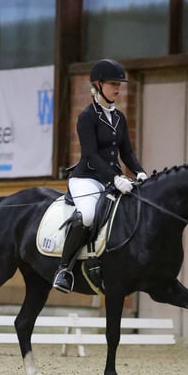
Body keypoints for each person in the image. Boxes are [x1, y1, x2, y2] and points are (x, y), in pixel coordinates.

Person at [52, 58, 148, 293]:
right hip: (86, 178)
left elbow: (126, 152)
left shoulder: (119, 118)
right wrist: (115, 179)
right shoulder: (87, 117)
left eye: (119, 84)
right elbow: (91, 155)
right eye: (113, 84)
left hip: (111, 177)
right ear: (98, 85)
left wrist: (140, 172)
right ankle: (64, 270)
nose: (117, 88)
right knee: (86, 215)